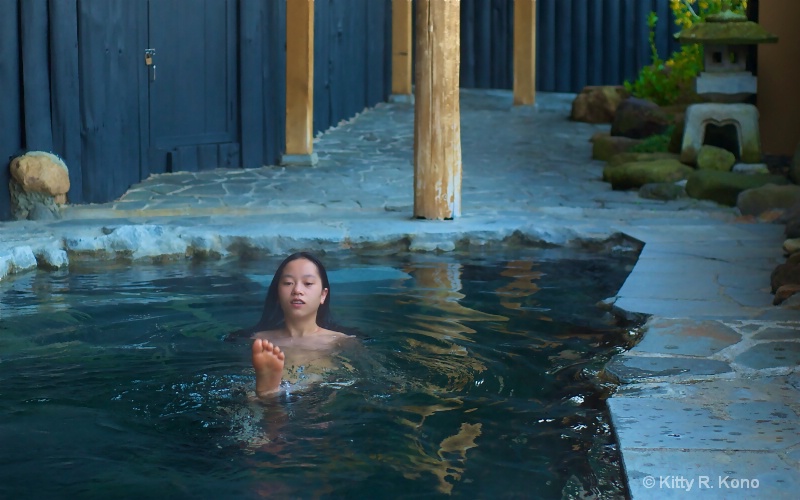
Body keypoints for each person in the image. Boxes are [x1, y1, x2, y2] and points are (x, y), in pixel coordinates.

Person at [246, 252, 353, 397]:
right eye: (288, 283)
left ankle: (270, 392)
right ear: (277, 293)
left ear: (323, 295)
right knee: (250, 396)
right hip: (291, 400)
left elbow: (353, 379)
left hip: (318, 395)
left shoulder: (341, 341)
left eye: (308, 283)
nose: (297, 290)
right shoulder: (258, 341)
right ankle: (269, 392)